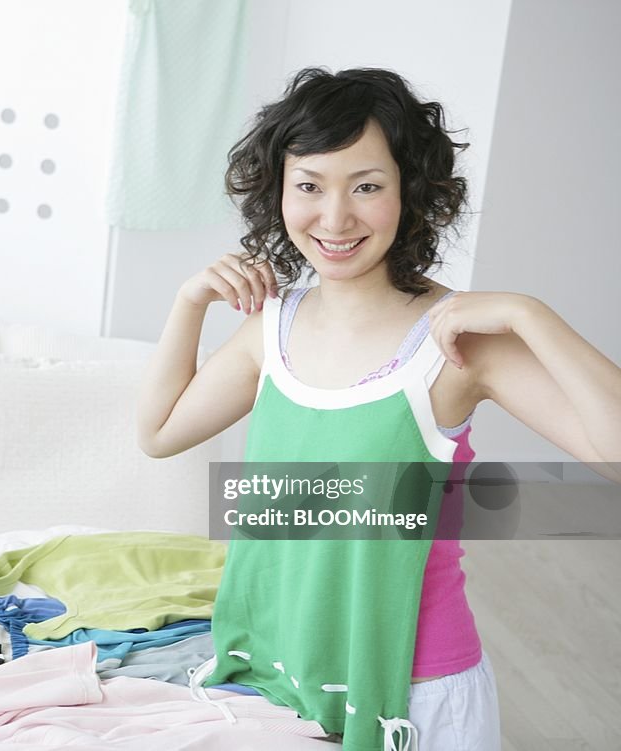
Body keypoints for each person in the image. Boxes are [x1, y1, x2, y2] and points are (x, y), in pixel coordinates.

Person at [136, 67, 621, 751]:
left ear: (411, 193)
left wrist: (529, 315)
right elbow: (158, 432)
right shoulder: (271, 327)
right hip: (280, 678)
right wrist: (189, 303)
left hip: (417, 695)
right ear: (278, 191)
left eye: (367, 186)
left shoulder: (454, 340)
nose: (335, 219)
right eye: (309, 186)